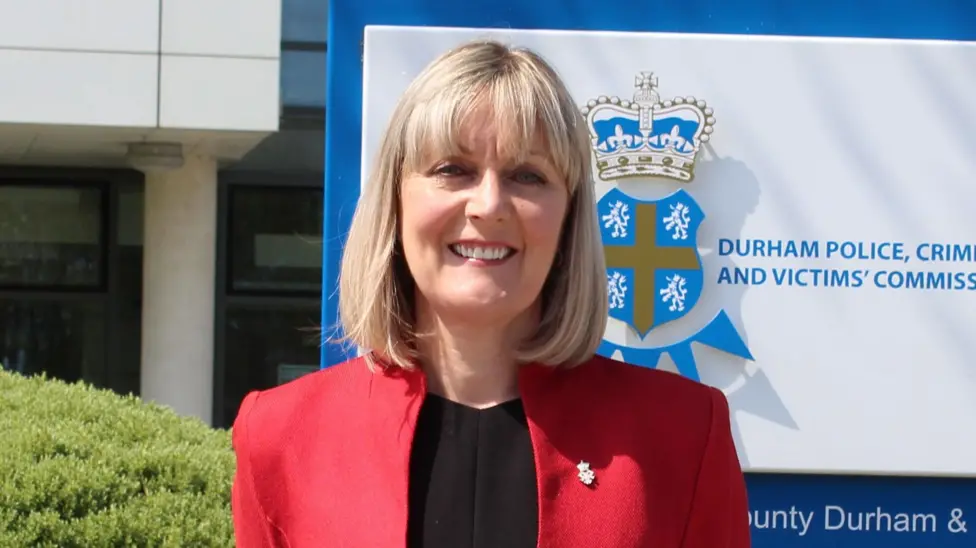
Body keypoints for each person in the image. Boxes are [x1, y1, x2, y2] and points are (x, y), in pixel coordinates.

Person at [230, 39, 750, 548]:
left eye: (528, 175)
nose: (489, 204)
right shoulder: (280, 435)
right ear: (395, 199)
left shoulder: (682, 435)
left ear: (568, 218)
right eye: (452, 170)